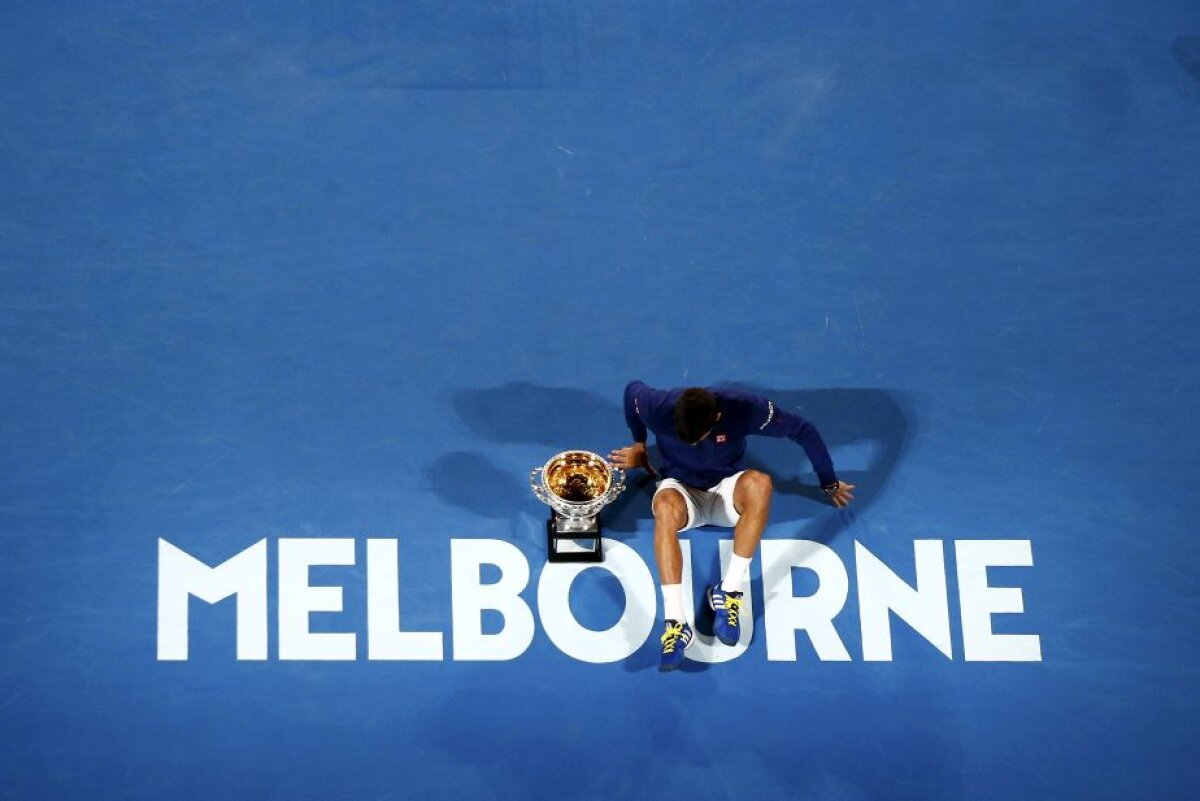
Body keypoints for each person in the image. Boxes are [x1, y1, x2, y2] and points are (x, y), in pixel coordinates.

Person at [609, 380, 854, 672]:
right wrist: (639, 444)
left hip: (727, 491)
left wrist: (828, 481)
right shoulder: (657, 406)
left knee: (761, 484)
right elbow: (630, 391)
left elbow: (803, 430)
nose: (694, 445)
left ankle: (729, 592)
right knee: (663, 508)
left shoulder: (745, 409)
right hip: (681, 493)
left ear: (717, 418)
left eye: (698, 438)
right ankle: (676, 622)